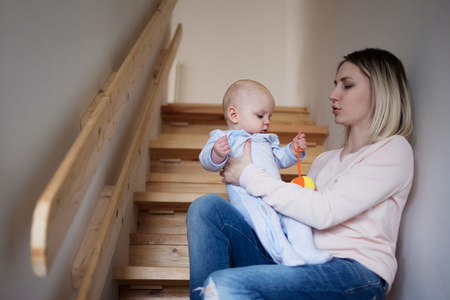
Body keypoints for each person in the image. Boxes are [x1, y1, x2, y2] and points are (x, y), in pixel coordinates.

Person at [187, 48, 414, 300]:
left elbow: (324, 211)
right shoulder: (324, 160)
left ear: (380, 92)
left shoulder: (393, 149)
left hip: (354, 272)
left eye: (346, 85)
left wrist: (247, 174)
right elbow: (296, 211)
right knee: (206, 207)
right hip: (301, 262)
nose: (332, 95)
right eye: (335, 84)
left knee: (223, 285)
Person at [199, 79, 332, 267]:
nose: (267, 121)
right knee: (266, 220)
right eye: (260, 115)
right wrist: (216, 154)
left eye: (270, 116)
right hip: (248, 196)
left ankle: (306, 250)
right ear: (234, 115)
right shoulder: (223, 138)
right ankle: (283, 253)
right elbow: (206, 160)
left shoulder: (268, 140)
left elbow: (280, 159)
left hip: (273, 192)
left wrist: (293, 150)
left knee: (296, 215)